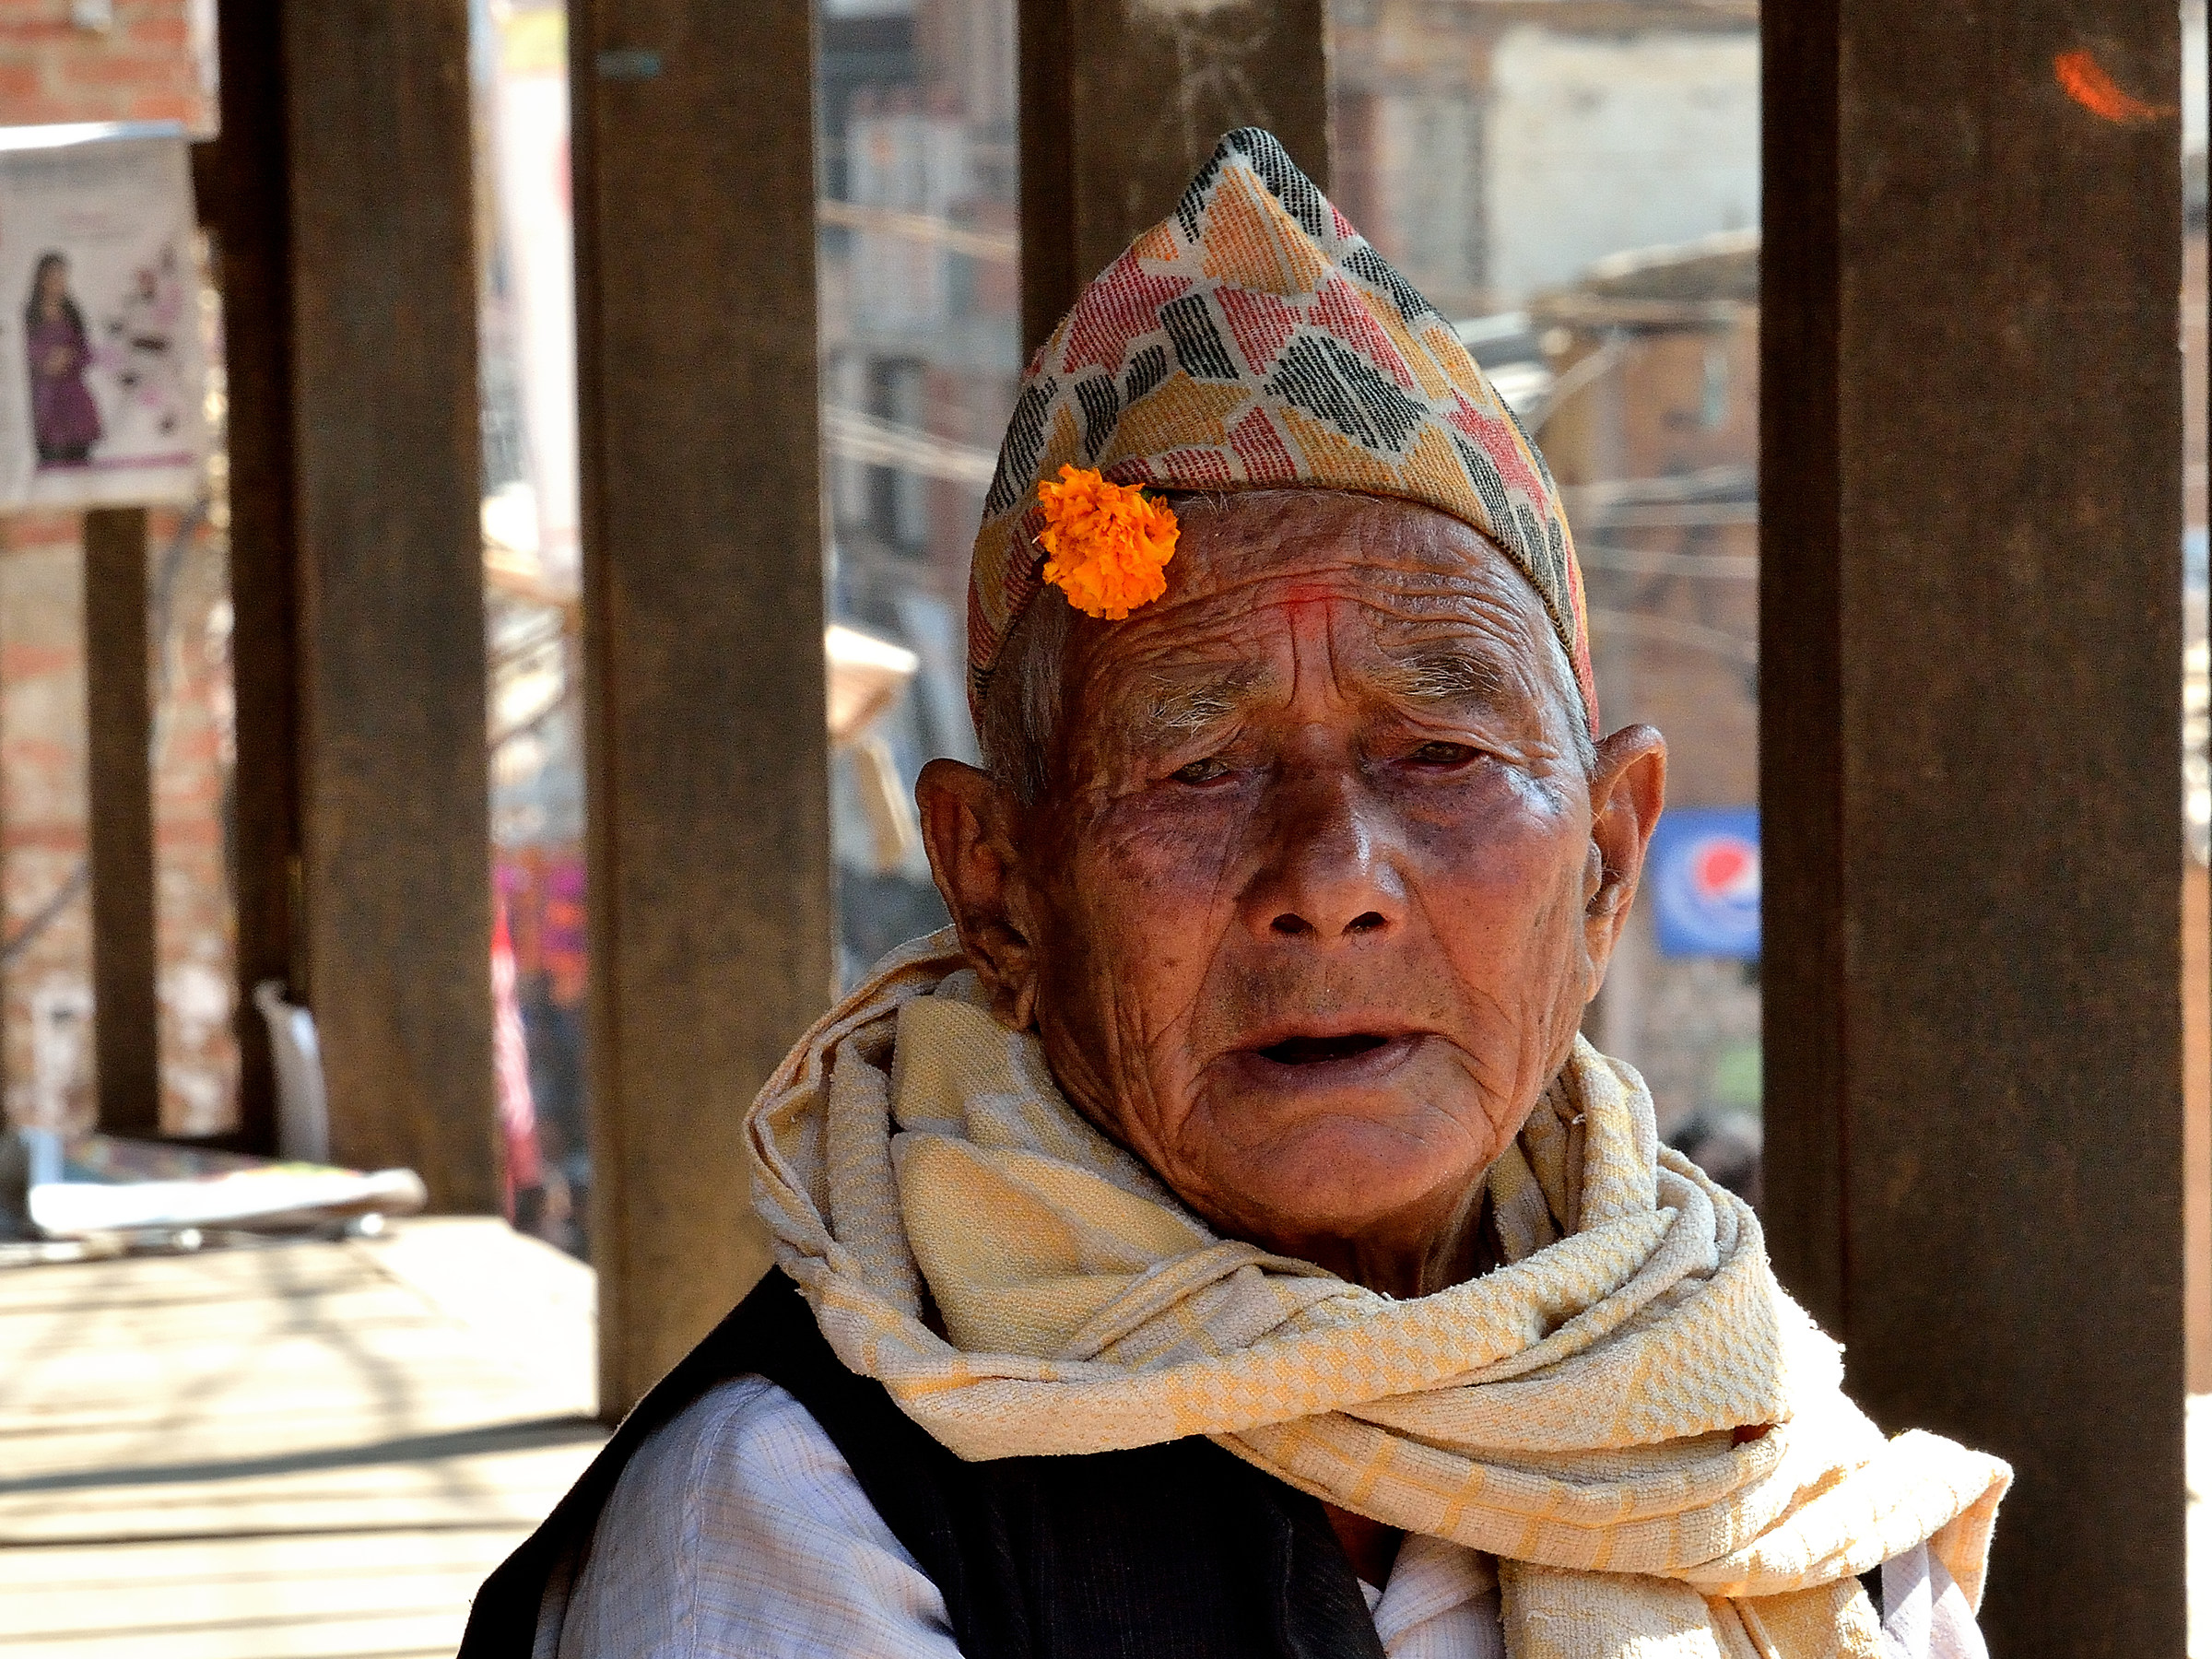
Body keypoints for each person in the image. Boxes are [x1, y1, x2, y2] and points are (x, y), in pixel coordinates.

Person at [461, 130, 2007, 1659]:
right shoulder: (799, 1522)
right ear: (1001, 889)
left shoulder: (1767, 1467)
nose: (1331, 882)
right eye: (1200, 767)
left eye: (1443, 753)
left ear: (1609, 853)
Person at [24, 253, 101, 466]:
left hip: (74, 401)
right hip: (45, 403)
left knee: (80, 461)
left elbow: (87, 352)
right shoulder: (28, 316)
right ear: (40, 279)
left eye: (62, 276)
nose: (57, 282)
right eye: (52, 277)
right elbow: (21, 356)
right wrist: (44, 362)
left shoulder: (72, 313)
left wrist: (69, 357)